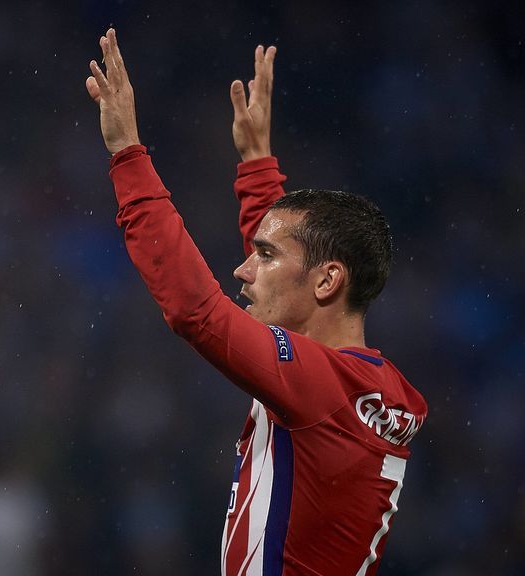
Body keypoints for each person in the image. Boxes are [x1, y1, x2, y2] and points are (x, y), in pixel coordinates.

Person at [85, 28, 428, 575]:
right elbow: (290, 279)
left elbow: (195, 310)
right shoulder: (358, 386)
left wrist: (127, 152)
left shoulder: (320, 386)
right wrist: (257, 164)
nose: (243, 267)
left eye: (263, 255)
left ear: (327, 282)